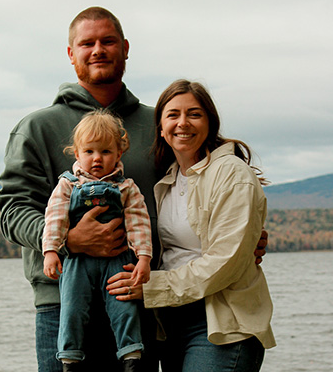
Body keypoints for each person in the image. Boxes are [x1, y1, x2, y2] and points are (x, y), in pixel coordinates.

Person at [0, 6, 268, 372]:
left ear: (125, 48)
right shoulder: (36, 127)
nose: (98, 50)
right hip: (61, 302)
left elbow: (195, 190)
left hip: (138, 301)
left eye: (108, 41)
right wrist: (68, 240)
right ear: (70, 54)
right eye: (87, 43)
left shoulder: (156, 123)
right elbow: (13, 211)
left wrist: (244, 235)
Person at [107, 79, 276, 372]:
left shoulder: (232, 174)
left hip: (221, 323)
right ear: (160, 128)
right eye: (173, 115)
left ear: (210, 122)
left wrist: (151, 288)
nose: (183, 123)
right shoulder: (168, 181)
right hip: (171, 322)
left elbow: (226, 262)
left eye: (194, 114)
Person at [42, 110, 152, 371]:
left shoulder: (126, 188)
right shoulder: (68, 185)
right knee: (72, 306)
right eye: (89, 151)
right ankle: (69, 358)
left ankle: (131, 353)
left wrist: (144, 257)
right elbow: (55, 217)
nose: (97, 159)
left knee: (124, 306)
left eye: (105, 152)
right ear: (77, 153)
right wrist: (51, 250)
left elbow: (139, 223)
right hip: (78, 262)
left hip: (118, 260)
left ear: (118, 154)